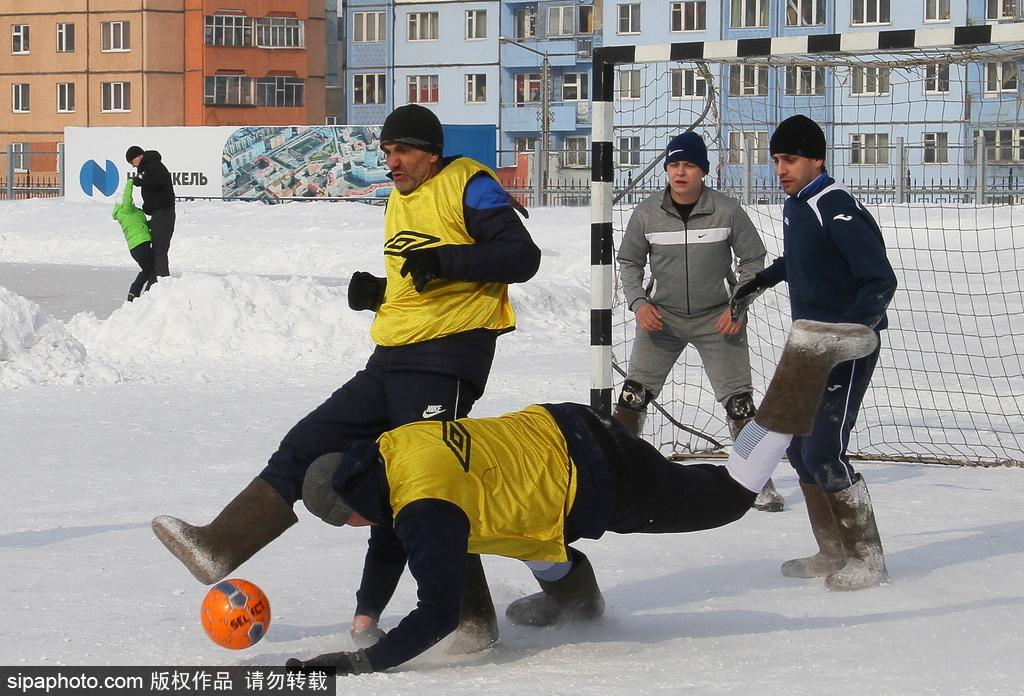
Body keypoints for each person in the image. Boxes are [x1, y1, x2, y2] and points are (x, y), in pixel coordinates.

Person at [151, 103, 541, 651]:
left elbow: (522, 257)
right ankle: (219, 545)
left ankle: (470, 618)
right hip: (391, 358)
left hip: (447, 360)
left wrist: (445, 262)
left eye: (402, 150)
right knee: (308, 442)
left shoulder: (469, 185)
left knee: (428, 489)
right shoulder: (401, 199)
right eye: (385, 152)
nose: (392, 162)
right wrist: (379, 294)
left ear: (430, 151)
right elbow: (419, 274)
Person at [286, 320, 880, 675]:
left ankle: (804, 361)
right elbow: (390, 538)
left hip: (594, 475)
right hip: (560, 429)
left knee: (726, 494)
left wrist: (365, 661)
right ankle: (575, 603)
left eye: (347, 522)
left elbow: (436, 610)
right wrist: (366, 614)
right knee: (498, 525)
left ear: (352, 502)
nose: (359, 528)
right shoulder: (392, 451)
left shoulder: (423, 509)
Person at [730, 114, 899, 592]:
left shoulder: (835, 205)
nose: (781, 169)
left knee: (825, 450)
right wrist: (760, 281)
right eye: (777, 160)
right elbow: (803, 259)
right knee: (803, 451)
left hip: (844, 349)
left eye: (791, 159)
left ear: (816, 160)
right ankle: (832, 551)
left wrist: (854, 331)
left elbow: (879, 279)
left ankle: (867, 559)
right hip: (808, 346)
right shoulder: (797, 206)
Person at [613, 131, 784, 512]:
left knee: (740, 404)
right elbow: (629, 263)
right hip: (662, 319)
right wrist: (639, 302)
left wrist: (737, 306)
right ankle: (615, 475)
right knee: (633, 396)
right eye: (673, 164)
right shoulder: (645, 214)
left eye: (688, 165)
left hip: (718, 319)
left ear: (702, 171)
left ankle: (757, 484)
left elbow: (753, 260)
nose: (679, 172)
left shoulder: (727, 210)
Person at [125, 145, 175, 279]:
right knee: (157, 248)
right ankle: (157, 281)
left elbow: (158, 181)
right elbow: (152, 183)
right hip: (159, 212)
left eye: (132, 162)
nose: (133, 166)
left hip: (163, 212)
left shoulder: (153, 164)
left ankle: (162, 281)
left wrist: (142, 181)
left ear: (138, 156)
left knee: (159, 248)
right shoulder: (148, 166)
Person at [111, 176, 155, 301]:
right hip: (139, 245)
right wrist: (131, 182)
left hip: (140, 245)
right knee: (150, 268)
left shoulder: (133, 212)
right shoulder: (125, 211)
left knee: (150, 270)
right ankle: (138, 293)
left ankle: (141, 293)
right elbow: (127, 196)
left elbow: (142, 226)